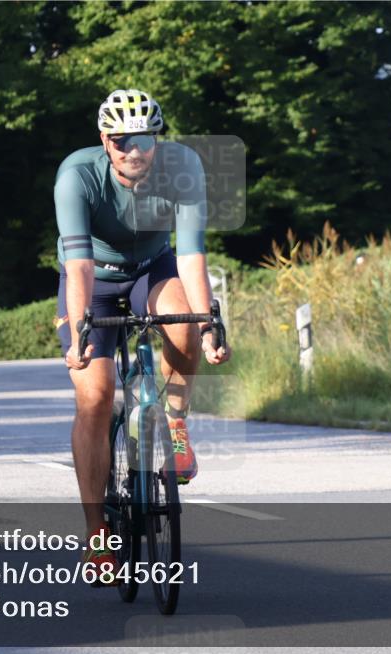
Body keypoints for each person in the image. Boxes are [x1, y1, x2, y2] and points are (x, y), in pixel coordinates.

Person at [54, 89, 231, 583]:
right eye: (122, 140)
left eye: (145, 140)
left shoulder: (184, 166)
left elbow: (191, 255)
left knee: (185, 323)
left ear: (158, 141)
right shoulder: (76, 176)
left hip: (153, 268)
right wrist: (79, 335)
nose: (134, 150)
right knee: (95, 397)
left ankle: (174, 423)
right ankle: (98, 537)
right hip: (93, 280)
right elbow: (78, 265)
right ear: (104, 141)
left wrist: (208, 323)